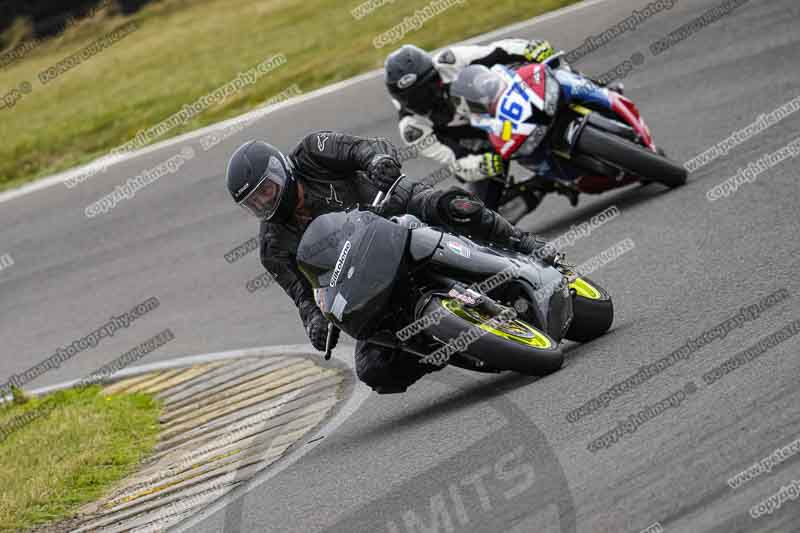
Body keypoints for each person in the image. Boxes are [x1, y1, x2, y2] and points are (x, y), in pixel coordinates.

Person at [225, 132, 551, 393]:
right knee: (374, 369)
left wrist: (378, 161)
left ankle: (521, 242)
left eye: (266, 191)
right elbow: (303, 296)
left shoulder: (312, 152)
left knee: (450, 204)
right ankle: (450, 344)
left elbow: (364, 149)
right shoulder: (273, 247)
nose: (264, 203)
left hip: (393, 215)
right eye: (254, 202)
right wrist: (314, 322)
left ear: (281, 169)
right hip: (365, 280)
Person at [384, 40, 621, 210]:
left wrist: (530, 49)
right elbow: (453, 160)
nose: (425, 99)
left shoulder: (451, 60)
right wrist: (481, 164)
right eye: (415, 98)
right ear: (401, 100)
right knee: (481, 211)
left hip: (502, 104)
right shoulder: (412, 128)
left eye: (428, 88)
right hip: (484, 146)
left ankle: (599, 89)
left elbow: (499, 51)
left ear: (435, 74)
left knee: (552, 69)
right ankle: (535, 189)